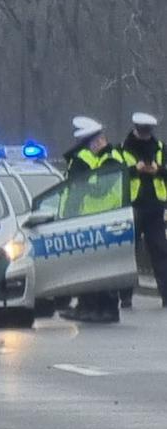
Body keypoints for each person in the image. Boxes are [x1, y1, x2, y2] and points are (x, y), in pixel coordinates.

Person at [59, 117, 125, 323]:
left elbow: (101, 190)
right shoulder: (95, 159)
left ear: (98, 140)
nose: (90, 147)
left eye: (90, 143)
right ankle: (88, 306)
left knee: (100, 267)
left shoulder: (110, 159)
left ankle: (104, 309)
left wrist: (83, 186)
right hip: (91, 217)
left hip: (105, 218)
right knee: (88, 266)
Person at [119, 112, 167, 308]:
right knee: (129, 253)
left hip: (155, 208)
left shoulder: (160, 148)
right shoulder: (123, 149)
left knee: (161, 251)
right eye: (143, 131)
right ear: (136, 129)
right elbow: (117, 174)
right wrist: (135, 170)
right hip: (133, 208)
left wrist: (159, 170)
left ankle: (165, 294)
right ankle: (126, 296)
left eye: (148, 132)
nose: (146, 135)